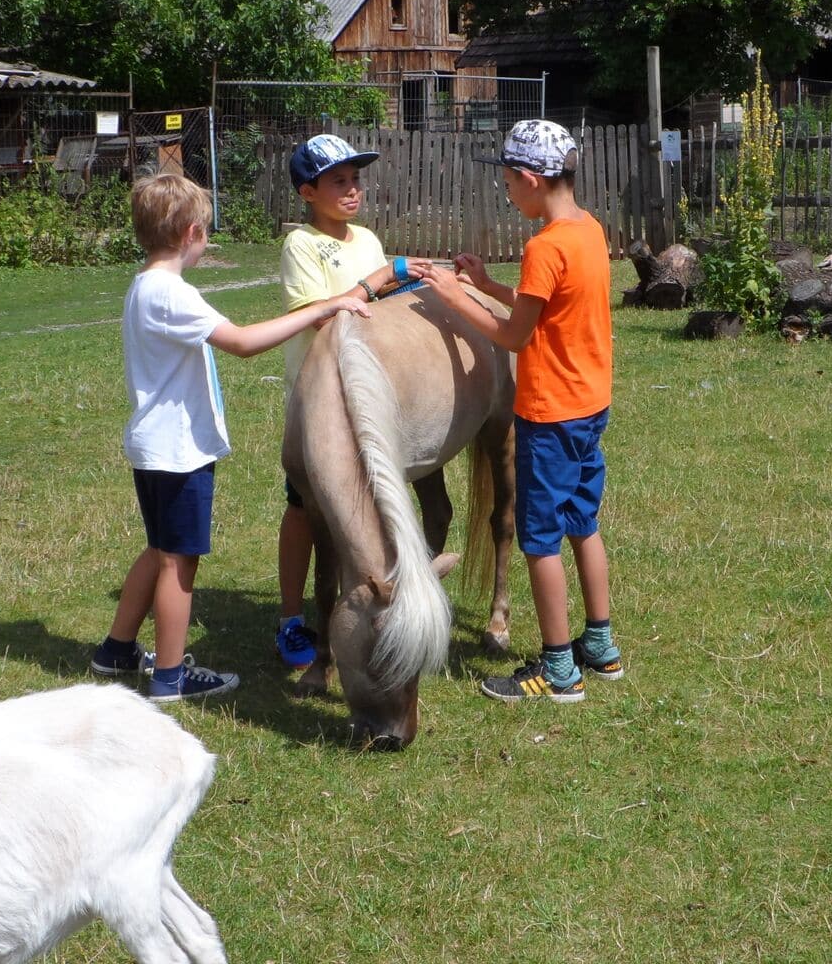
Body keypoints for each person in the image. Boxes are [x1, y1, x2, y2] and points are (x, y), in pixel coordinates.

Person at [92, 171, 370, 702]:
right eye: (207, 233)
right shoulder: (172, 293)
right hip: (178, 453)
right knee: (178, 562)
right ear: (192, 233)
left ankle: (117, 650)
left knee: (158, 550)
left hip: (154, 447)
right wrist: (323, 307)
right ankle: (169, 678)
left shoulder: (143, 285)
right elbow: (242, 342)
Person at [417, 119, 623, 703]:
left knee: (539, 540)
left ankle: (560, 671)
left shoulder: (544, 246)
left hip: (550, 415)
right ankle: (601, 648)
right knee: (584, 524)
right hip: (588, 408)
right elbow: (545, 309)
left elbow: (512, 338)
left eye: (508, 181)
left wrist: (458, 297)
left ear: (531, 178)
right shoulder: (587, 231)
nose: (507, 192)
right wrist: (489, 283)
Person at [273, 134, 430, 668]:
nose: (352, 190)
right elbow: (317, 313)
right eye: (338, 182)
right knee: (304, 507)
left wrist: (404, 287)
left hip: (368, 397)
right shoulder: (301, 245)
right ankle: (292, 617)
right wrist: (377, 282)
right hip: (319, 401)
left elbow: (381, 307)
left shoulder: (365, 238)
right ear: (307, 192)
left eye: (355, 179)